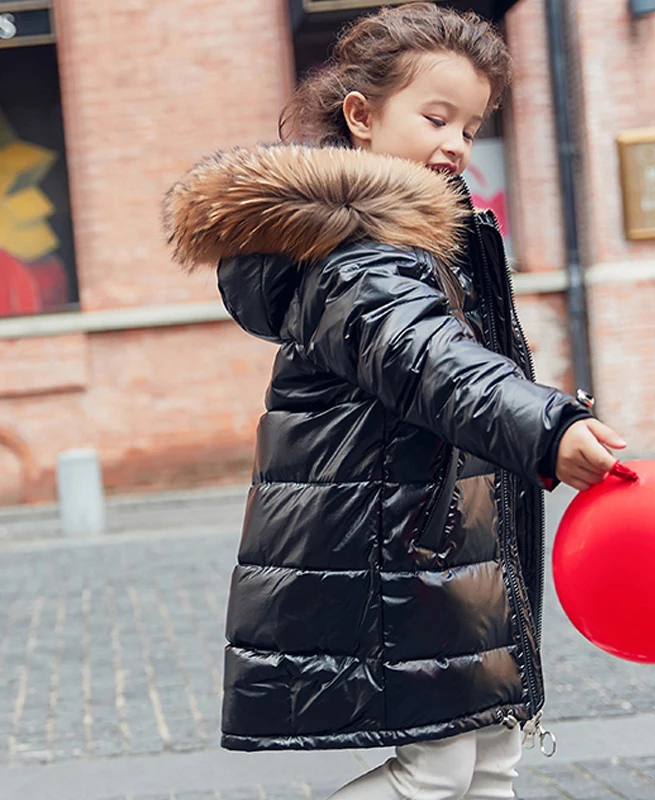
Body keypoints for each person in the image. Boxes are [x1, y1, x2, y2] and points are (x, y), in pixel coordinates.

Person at [163, 4, 626, 797]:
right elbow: (431, 362)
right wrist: (548, 429)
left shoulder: (417, 238)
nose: (455, 142)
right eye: (436, 116)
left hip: (447, 540)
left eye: (471, 127)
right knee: (437, 769)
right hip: (392, 545)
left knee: (489, 758)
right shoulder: (355, 250)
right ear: (363, 116)